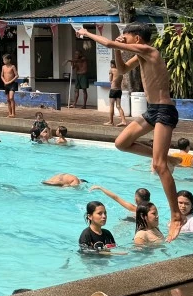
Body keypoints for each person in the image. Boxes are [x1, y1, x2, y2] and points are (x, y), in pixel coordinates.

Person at [75, 23, 182, 241]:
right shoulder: (140, 55)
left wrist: (86, 33)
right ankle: (168, 158)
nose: (124, 39)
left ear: (138, 39)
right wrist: (118, 49)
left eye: (127, 36)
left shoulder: (150, 51)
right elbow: (122, 70)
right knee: (121, 142)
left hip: (165, 110)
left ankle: (176, 216)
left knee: (158, 166)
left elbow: (107, 41)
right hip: (152, 110)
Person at [103, 62, 127, 127]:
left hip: (113, 89)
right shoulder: (121, 71)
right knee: (118, 106)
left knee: (111, 105)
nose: (110, 65)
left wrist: (111, 80)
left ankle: (111, 121)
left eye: (111, 64)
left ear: (113, 64)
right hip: (119, 90)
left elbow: (110, 79)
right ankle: (123, 121)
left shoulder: (112, 70)